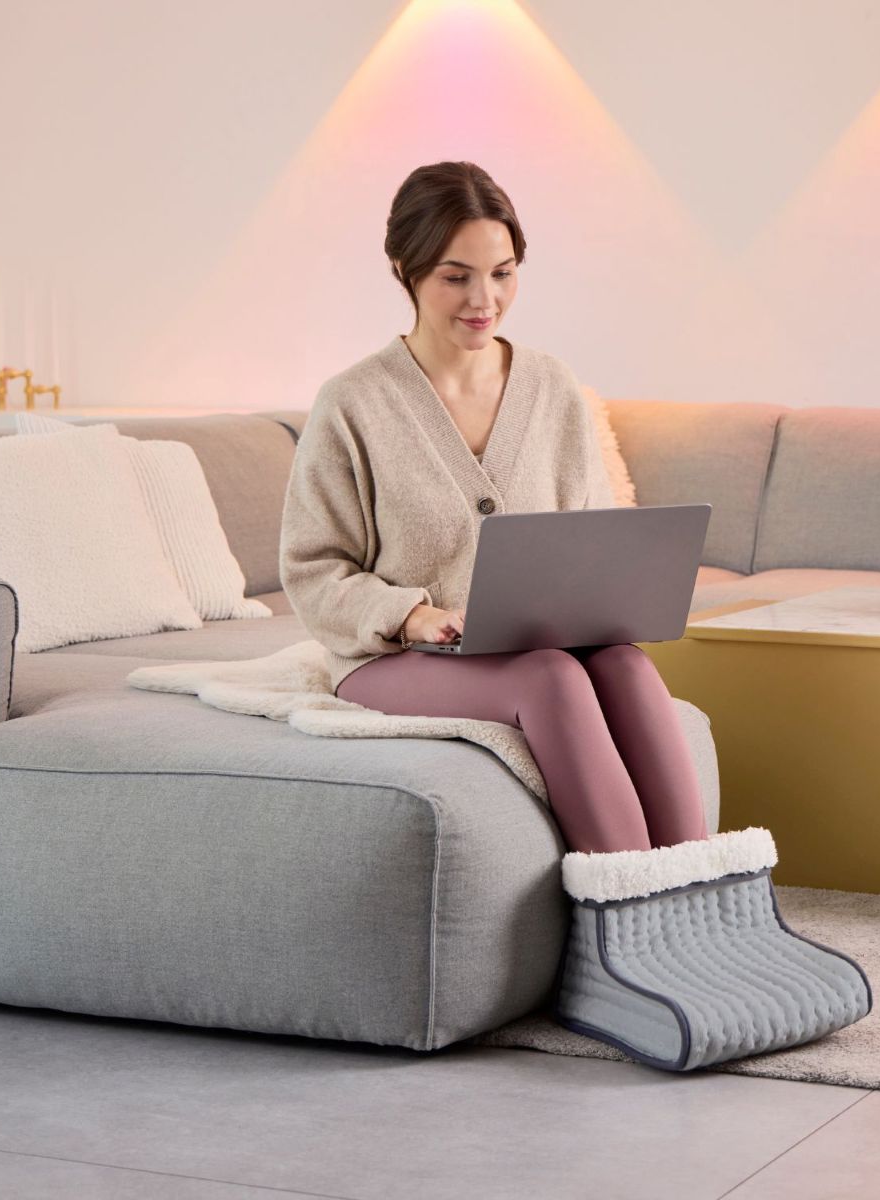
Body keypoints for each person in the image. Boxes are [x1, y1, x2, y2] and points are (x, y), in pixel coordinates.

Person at [279, 160, 709, 855]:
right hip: (392, 658)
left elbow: (594, 537)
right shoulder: (353, 403)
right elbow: (313, 571)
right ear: (404, 270)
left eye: (503, 273)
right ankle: (623, 915)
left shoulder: (551, 386)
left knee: (625, 664)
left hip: (531, 641)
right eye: (457, 276)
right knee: (552, 679)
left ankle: (700, 894)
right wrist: (411, 614)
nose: (485, 298)